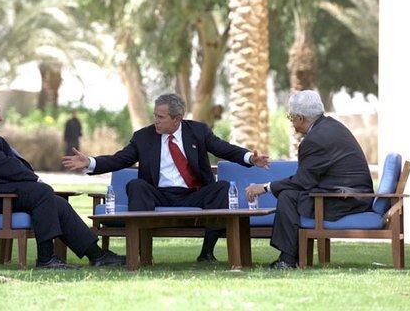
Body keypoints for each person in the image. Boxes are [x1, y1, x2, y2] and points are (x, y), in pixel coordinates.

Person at [63, 93, 269, 262]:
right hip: (159, 194)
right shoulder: (143, 137)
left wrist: (250, 157)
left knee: (221, 188)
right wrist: (89, 162)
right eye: (155, 115)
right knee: (136, 185)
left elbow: (224, 149)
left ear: (177, 118)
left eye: (161, 117)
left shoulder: (197, 131)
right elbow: (120, 159)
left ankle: (206, 253)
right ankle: (141, 254)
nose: (156, 121)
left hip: (193, 193)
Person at [0, 92, 125, 269]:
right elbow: (3, 167)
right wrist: (35, 179)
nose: (0, 118)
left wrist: (31, 181)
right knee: (42, 192)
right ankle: (46, 259)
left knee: (57, 202)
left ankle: (97, 255)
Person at [245, 90, 373, 269]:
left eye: (291, 118)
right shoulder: (330, 126)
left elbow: (302, 182)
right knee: (290, 195)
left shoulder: (315, 139)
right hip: (351, 195)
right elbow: (307, 180)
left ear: (300, 117)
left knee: (288, 196)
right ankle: (289, 258)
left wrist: (265, 187)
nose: (292, 124)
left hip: (346, 200)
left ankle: (287, 260)